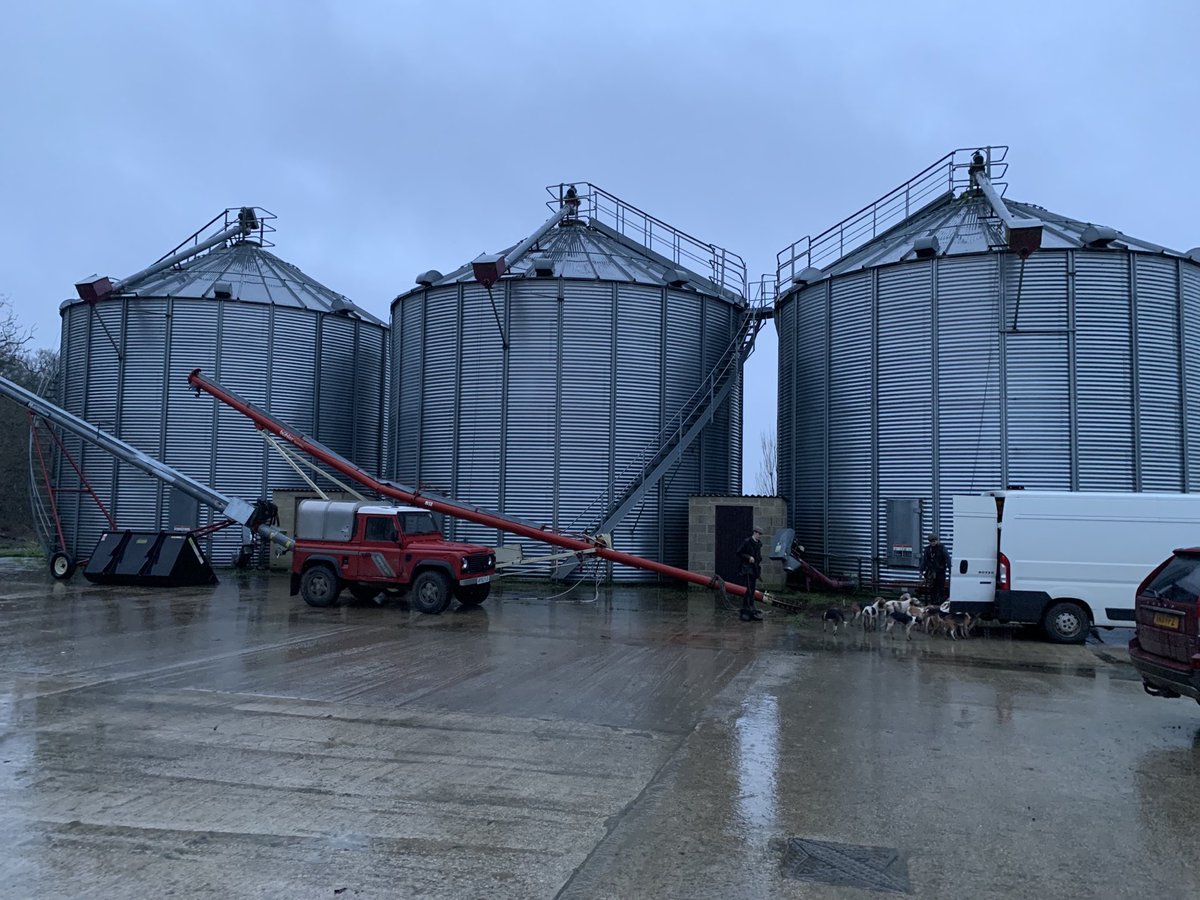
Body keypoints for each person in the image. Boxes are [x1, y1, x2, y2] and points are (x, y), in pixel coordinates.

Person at [736, 526, 764, 621]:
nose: (760, 536)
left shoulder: (759, 544)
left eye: (761, 534)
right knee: (749, 589)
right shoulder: (747, 541)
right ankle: (745, 610)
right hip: (747, 569)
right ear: (754, 533)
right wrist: (748, 557)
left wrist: (759, 559)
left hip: (754, 569)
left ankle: (751, 609)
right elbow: (739, 553)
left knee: (752, 589)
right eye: (759, 534)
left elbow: (758, 556)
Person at [920, 533, 949, 604]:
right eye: (930, 541)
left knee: (941, 589)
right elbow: (924, 561)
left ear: (937, 540)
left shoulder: (942, 548)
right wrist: (921, 571)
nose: (932, 542)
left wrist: (950, 570)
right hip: (931, 572)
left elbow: (947, 559)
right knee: (932, 589)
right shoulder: (927, 549)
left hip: (940, 572)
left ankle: (940, 604)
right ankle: (932, 603)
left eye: (934, 541)